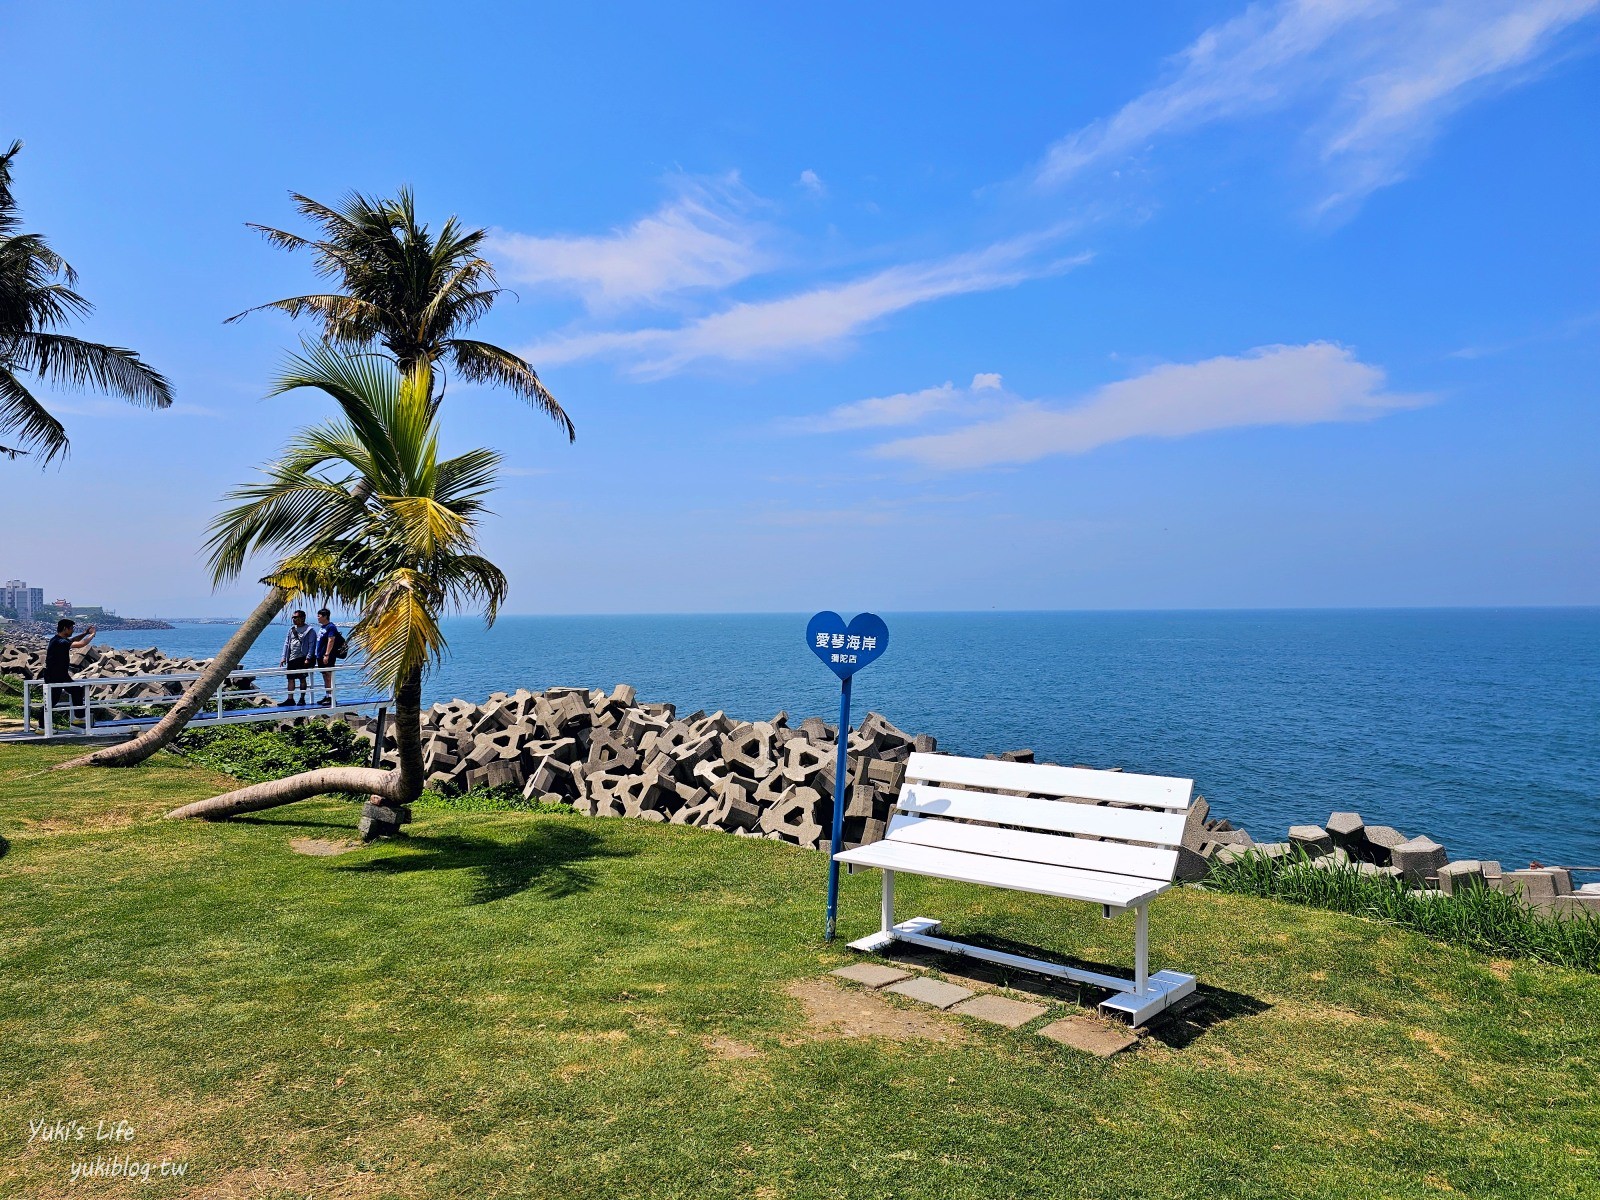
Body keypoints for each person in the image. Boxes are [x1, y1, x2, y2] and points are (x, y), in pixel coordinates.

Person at [43, 617, 96, 725]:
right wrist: (92, 635)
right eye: (71, 628)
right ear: (65, 629)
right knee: (52, 700)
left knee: (76, 691)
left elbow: (74, 640)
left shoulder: (57, 639)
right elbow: (81, 644)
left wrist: (85, 633)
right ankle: (42, 726)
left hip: (61, 674)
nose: (72, 630)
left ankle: (79, 717)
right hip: (55, 676)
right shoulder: (60, 642)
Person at [278, 609, 317, 706]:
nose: (294, 619)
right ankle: (290, 699)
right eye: (293, 617)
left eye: (296, 617)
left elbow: (312, 645)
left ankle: (302, 698)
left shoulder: (310, 630)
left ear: (302, 618)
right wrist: (283, 657)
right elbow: (286, 644)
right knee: (290, 679)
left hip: (303, 658)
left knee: (302, 678)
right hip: (291, 658)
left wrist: (308, 658)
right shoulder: (291, 629)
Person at [314, 608, 342, 706]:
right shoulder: (323, 627)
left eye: (319, 616)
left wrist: (327, 654)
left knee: (329, 675)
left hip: (327, 656)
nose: (317, 617)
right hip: (320, 655)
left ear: (325, 616)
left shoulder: (331, 627)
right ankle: (327, 695)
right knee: (324, 676)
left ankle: (331, 697)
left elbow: (331, 640)